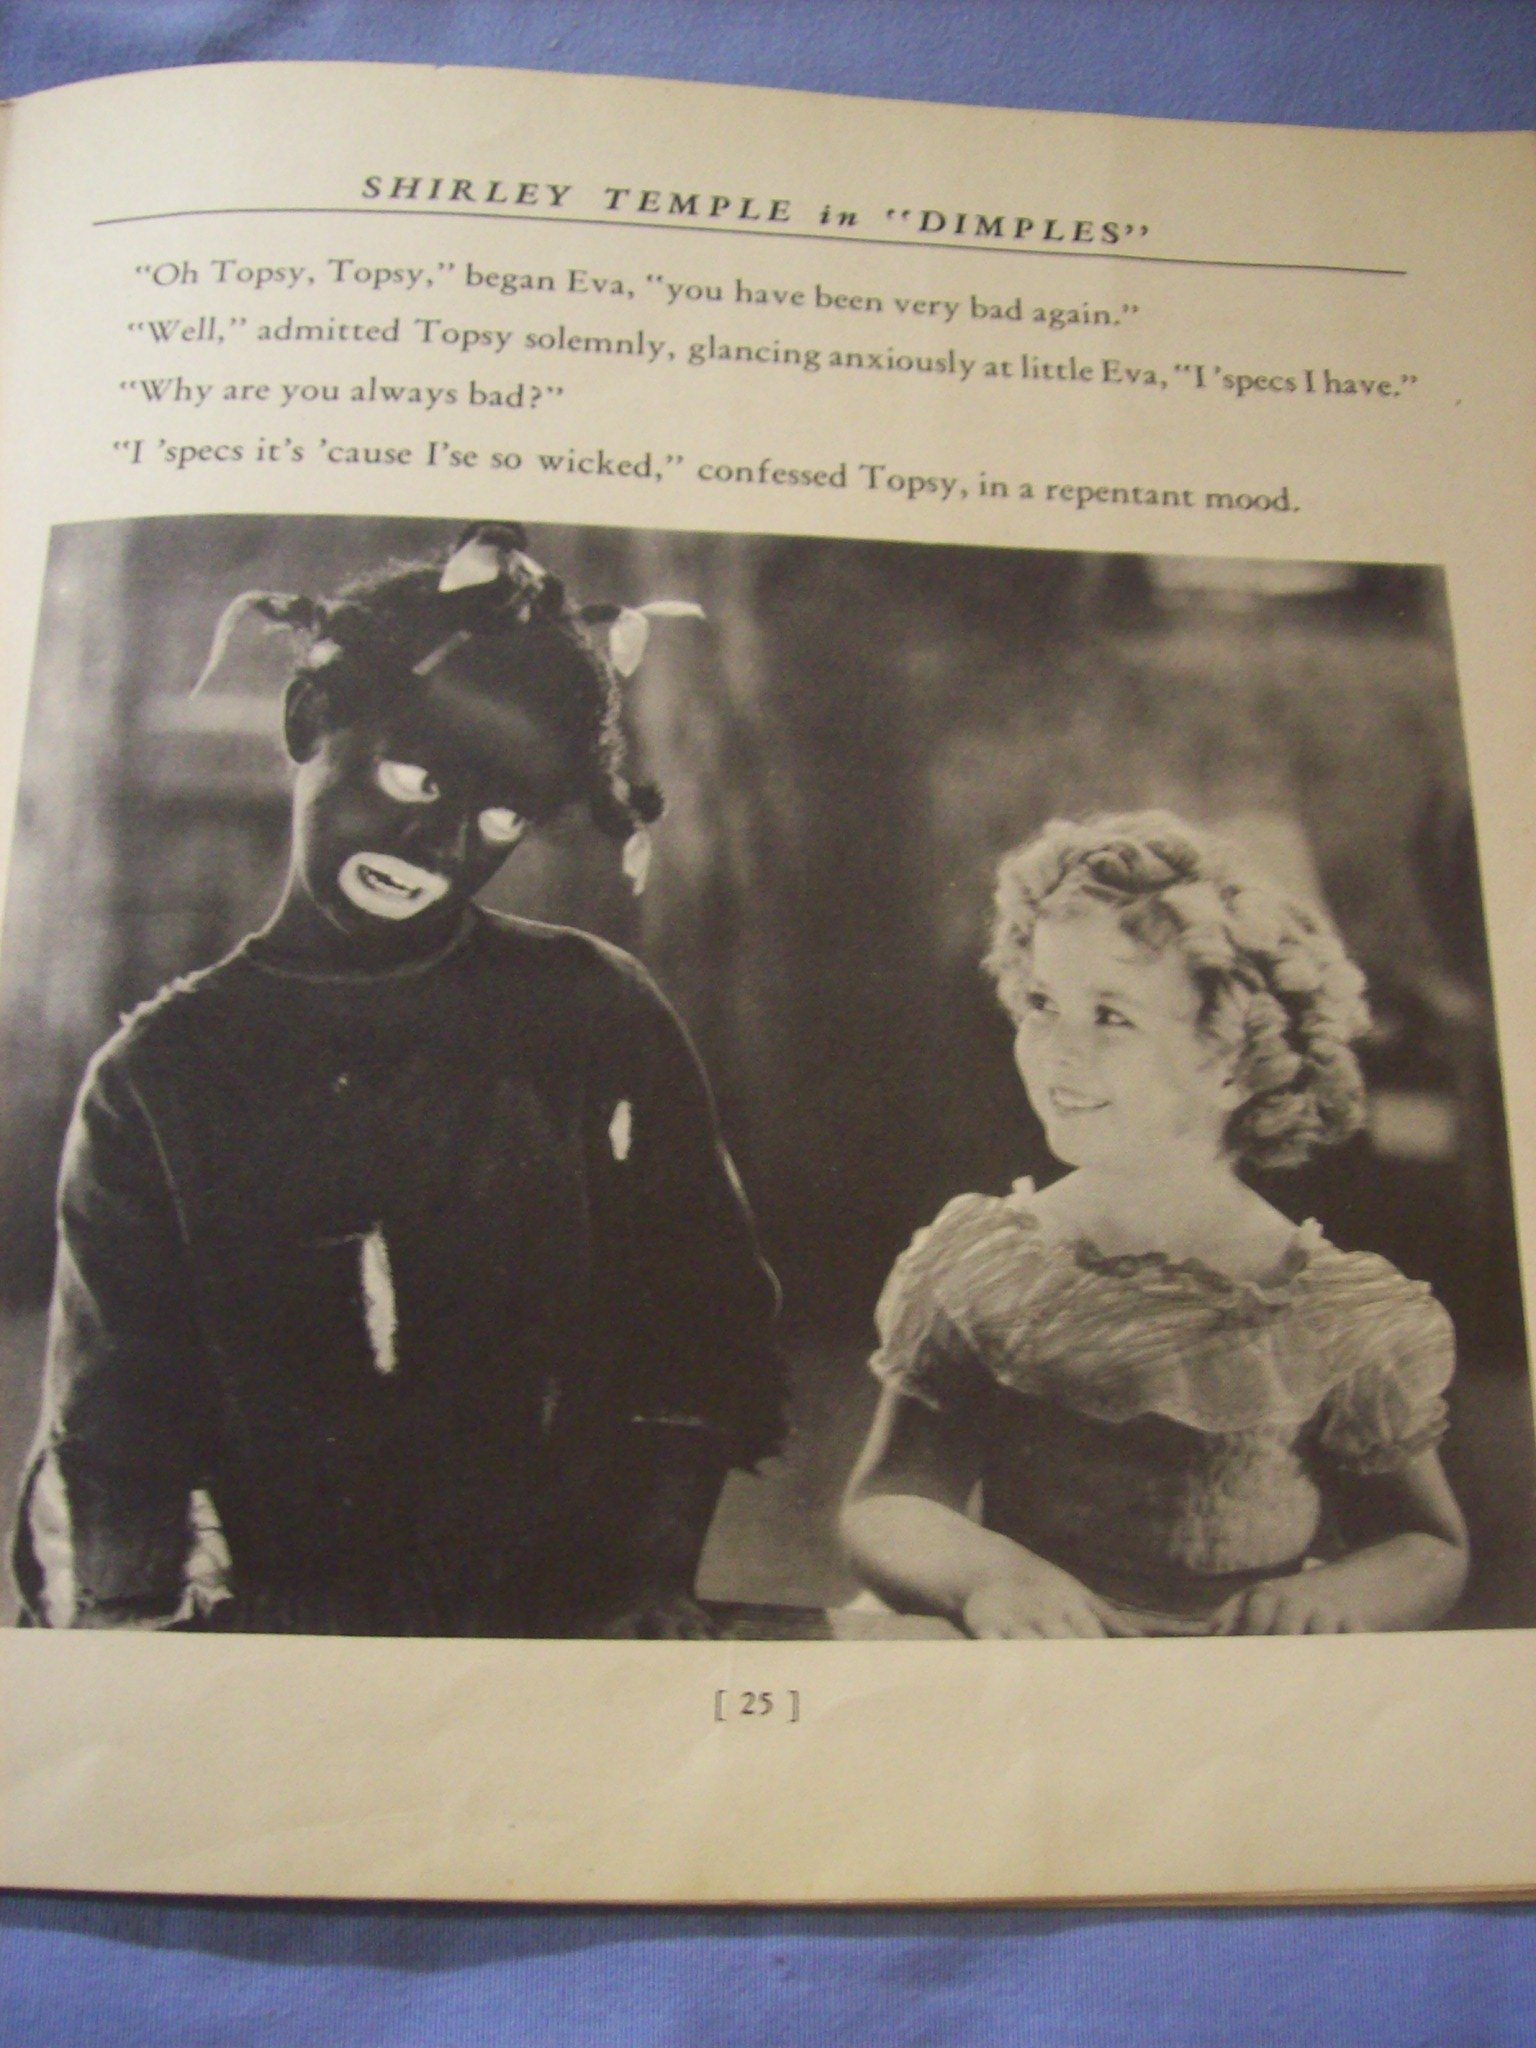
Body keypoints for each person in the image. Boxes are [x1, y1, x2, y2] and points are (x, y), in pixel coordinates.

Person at [13, 522, 783, 1636]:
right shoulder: (157, 1076)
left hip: (564, 1612)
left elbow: (702, 1312)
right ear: (307, 719)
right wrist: (138, 1630)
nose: (438, 844)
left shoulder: (590, 1009)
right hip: (276, 1626)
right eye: (414, 776)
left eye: (500, 816)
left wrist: (653, 1574)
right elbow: (116, 1422)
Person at [842, 811, 1469, 1638]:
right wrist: (989, 1577)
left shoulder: (1331, 1313)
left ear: (1234, 1062)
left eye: (1111, 1016)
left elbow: (1426, 1544)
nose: (1057, 1048)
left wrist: (1336, 1599)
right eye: (1041, 1002)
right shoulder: (990, 1264)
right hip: (1033, 1662)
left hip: (1230, 1681)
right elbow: (888, 1498)